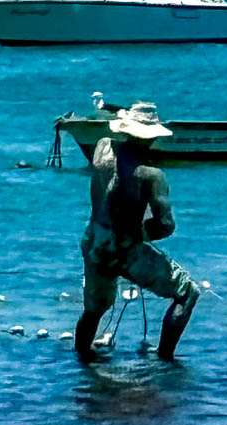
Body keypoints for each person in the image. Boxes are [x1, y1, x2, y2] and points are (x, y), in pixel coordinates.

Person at [75, 102, 200, 362]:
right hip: (126, 248)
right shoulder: (151, 175)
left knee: (93, 310)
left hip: (95, 240)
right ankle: (165, 360)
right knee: (188, 293)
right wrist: (141, 234)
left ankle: (83, 361)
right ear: (152, 136)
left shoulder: (102, 148)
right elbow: (165, 225)